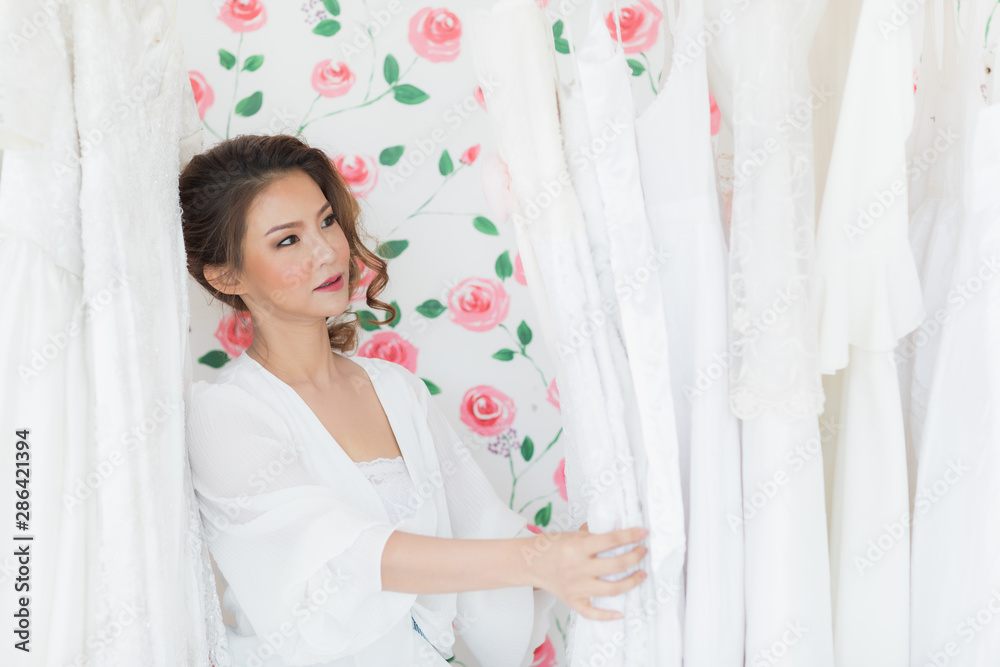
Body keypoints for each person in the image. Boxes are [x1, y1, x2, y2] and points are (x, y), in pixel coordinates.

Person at [179, 133, 649, 667]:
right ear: (226, 275)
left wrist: (585, 551)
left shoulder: (395, 390)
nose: (327, 251)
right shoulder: (224, 415)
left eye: (327, 221)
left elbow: (484, 537)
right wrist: (538, 561)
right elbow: (348, 557)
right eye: (287, 240)